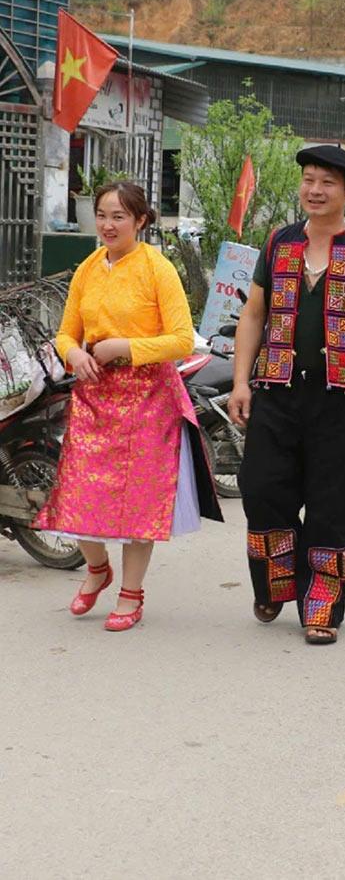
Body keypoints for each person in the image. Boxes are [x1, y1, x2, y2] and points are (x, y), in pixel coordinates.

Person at [229, 144, 345, 645]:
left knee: (329, 504)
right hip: (275, 392)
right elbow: (254, 316)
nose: (314, 190)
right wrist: (242, 382)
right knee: (262, 489)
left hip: (337, 399)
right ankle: (275, 583)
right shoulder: (278, 243)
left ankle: (322, 603)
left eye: (327, 182)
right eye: (309, 179)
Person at [33, 181, 222, 631]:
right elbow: (65, 332)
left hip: (147, 399)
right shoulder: (88, 268)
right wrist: (73, 354)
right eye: (102, 214)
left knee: (138, 504)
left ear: (140, 221)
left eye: (119, 216)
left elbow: (181, 339)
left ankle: (131, 593)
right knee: (77, 494)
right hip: (95, 397)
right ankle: (97, 569)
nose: (108, 224)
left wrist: (124, 345)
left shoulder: (158, 269)